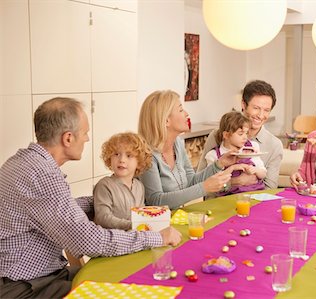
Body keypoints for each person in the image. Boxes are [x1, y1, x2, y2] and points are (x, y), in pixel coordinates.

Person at [0, 97, 181, 299]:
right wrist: (156, 237)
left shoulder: (22, 162)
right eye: (85, 133)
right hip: (27, 287)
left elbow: (56, 210)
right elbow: (90, 242)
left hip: (33, 277)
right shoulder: (43, 175)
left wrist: (105, 198)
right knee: (127, 287)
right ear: (68, 138)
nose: (86, 139)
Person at [139, 90, 242, 209]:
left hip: (180, 216)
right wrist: (204, 188)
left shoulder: (177, 143)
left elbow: (191, 181)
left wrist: (219, 164)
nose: (187, 113)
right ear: (166, 120)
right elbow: (156, 200)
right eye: (181, 110)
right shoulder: (147, 154)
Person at [198, 80, 283, 189]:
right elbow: (201, 181)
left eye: (266, 110)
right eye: (256, 108)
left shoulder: (274, 145)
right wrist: (235, 182)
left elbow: (270, 189)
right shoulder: (217, 135)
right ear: (243, 104)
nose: (261, 115)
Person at [94, 132, 152, 230]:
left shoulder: (139, 186)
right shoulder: (104, 186)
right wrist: (132, 225)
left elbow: (141, 214)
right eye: (116, 154)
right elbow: (103, 218)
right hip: (113, 241)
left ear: (139, 162)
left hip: (136, 238)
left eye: (129, 155)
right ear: (109, 158)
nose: (122, 160)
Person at [205, 111, 266, 196]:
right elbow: (214, 182)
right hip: (229, 198)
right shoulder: (213, 155)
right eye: (240, 134)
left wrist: (255, 170)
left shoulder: (252, 147)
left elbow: (263, 173)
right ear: (226, 135)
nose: (245, 137)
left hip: (256, 193)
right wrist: (233, 169)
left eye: (246, 133)